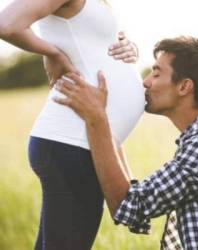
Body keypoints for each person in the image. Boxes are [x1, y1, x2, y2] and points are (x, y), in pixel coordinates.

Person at [54, 36, 198, 249]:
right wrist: (106, 118)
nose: (146, 82)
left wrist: (96, 119)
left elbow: (131, 206)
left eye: (156, 73)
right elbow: (134, 200)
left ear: (184, 87)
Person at [0, 0, 144, 249]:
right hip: (70, 140)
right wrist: (53, 53)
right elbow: (7, 25)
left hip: (77, 142)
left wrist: (130, 47)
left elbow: (89, 43)